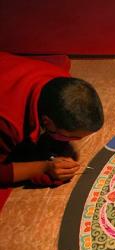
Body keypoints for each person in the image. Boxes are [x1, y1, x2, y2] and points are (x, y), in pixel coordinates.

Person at [0, 52, 104, 186]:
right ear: (47, 122)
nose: (73, 142)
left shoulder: (62, 79)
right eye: (71, 137)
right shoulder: (9, 124)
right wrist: (44, 167)